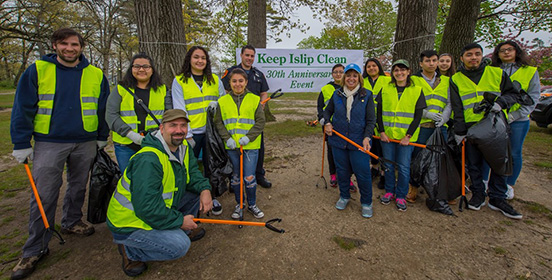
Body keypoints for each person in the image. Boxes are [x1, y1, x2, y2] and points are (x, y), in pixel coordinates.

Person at [10, 28, 110, 280]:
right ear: (54, 45)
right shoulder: (38, 70)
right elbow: (23, 107)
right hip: (49, 142)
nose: (69, 48)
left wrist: (101, 135)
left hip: (85, 140)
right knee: (44, 193)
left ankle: (72, 220)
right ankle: (35, 247)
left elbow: (102, 107)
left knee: (78, 186)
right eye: (64, 44)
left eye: (74, 44)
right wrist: (21, 142)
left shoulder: (95, 74)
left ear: (81, 47)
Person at [106, 109, 212, 277]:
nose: (179, 130)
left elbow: (193, 174)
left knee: (195, 194)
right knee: (179, 246)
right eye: (173, 125)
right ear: (162, 128)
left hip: (153, 208)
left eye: (183, 125)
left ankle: (173, 228)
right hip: (130, 221)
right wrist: (179, 221)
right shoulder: (149, 159)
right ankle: (130, 250)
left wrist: (205, 189)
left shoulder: (182, 147)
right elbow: (146, 208)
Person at [450, 42, 522, 219]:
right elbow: (457, 107)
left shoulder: (496, 73)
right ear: (462, 58)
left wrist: (500, 103)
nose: (473, 58)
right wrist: (459, 132)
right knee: (474, 165)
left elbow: (513, 94)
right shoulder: (456, 79)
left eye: (477, 54)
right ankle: (478, 194)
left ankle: (497, 198)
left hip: (494, 126)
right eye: (469, 55)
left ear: (482, 56)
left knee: (499, 163)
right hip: (471, 127)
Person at [172, 46, 225, 215]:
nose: (200, 61)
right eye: (196, 57)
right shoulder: (180, 81)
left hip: (211, 133)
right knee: (189, 167)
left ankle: (212, 196)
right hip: (192, 133)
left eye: (203, 58)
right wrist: (186, 135)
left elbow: (223, 102)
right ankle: (191, 199)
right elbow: (179, 108)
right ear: (189, 59)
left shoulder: (215, 80)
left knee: (211, 165)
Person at [323, 63, 376, 218]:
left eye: (354, 75)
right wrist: (327, 122)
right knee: (342, 171)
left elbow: (371, 120)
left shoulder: (367, 95)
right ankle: (344, 196)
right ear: (344, 77)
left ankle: (366, 202)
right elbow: (327, 112)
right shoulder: (336, 94)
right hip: (339, 141)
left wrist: (367, 137)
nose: (351, 78)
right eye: (348, 75)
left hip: (359, 142)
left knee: (363, 173)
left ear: (359, 77)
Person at [489, 40, 540, 199]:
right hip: (494, 118)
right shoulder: (492, 70)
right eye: (502, 50)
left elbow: (533, 97)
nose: (506, 53)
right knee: (490, 151)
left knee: (514, 152)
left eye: (509, 50)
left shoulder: (529, 71)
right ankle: (487, 181)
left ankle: (509, 184)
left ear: (516, 52)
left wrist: (515, 115)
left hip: (518, 120)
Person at [214, 68, 266, 219]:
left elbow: (260, 122)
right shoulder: (222, 101)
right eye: (234, 81)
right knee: (236, 178)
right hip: (231, 147)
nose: (237, 84)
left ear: (246, 82)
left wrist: (248, 137)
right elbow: (218, 122)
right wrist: (226, 138)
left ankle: (252, 204)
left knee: (249, 177)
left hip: (250, 146)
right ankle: (239, 204)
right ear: (229, 83)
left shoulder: (254, 99)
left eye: (241, 81)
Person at [106, 53, 169, 173]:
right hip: (125, 145)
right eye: (137, 66)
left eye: (146, 66)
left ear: (152, 70)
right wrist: (130, 134)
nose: (141, 69)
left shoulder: (163, 89)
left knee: (152, 177)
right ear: (131, 69)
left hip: (154, 142)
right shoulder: (121, 89)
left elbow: (169, 114)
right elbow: (111, 115)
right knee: (128, 180)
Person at [377, 59, 426, 212]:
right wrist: (382, 132)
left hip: (406, 138)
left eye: (402, 70)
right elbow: (379, 113)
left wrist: (408, 136)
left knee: (404, 168)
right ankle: (390, 191)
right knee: (389, 166)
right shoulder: (385, 89)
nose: (399, 73)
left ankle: (401, 195)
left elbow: (418, 116)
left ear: (408, 71)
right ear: (392, 73)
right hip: (388, 137)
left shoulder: (417, 90)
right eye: (396, 70)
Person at [221, 45, 272, 189]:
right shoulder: (231, 72)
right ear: (241, 55)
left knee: (258, 147)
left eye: (252, 56)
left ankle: (258, 175)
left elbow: (264, 92)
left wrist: (261, 104)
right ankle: (235, 178)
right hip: (235, 119)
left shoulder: (258, 74)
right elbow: (224, 92)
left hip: (253, 118)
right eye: (247, 55)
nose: (249, 58)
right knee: (233, 149)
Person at [407, 50, 452, 203]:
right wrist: (427, 114)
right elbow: (410, 102)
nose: (431, 63)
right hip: (421, 125)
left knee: (441, 158)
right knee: (417, 157)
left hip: (440, 126)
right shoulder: (413, 80)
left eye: (434, 60)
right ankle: (413, 187)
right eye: (428, 61)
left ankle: (440, 189)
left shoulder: (445, 81)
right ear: (421, 63)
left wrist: (444, 118)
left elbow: (449, 103)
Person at [362, 58, 391, 190]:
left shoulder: (387, 80)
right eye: (369, 66)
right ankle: (374, 167)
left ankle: (384, 173)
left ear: (379, 67)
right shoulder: (363, 82)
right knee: (371, 145)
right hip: (367, 119)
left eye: (374, 66)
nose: (372, 68)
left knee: (383, 147)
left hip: (383, 118)